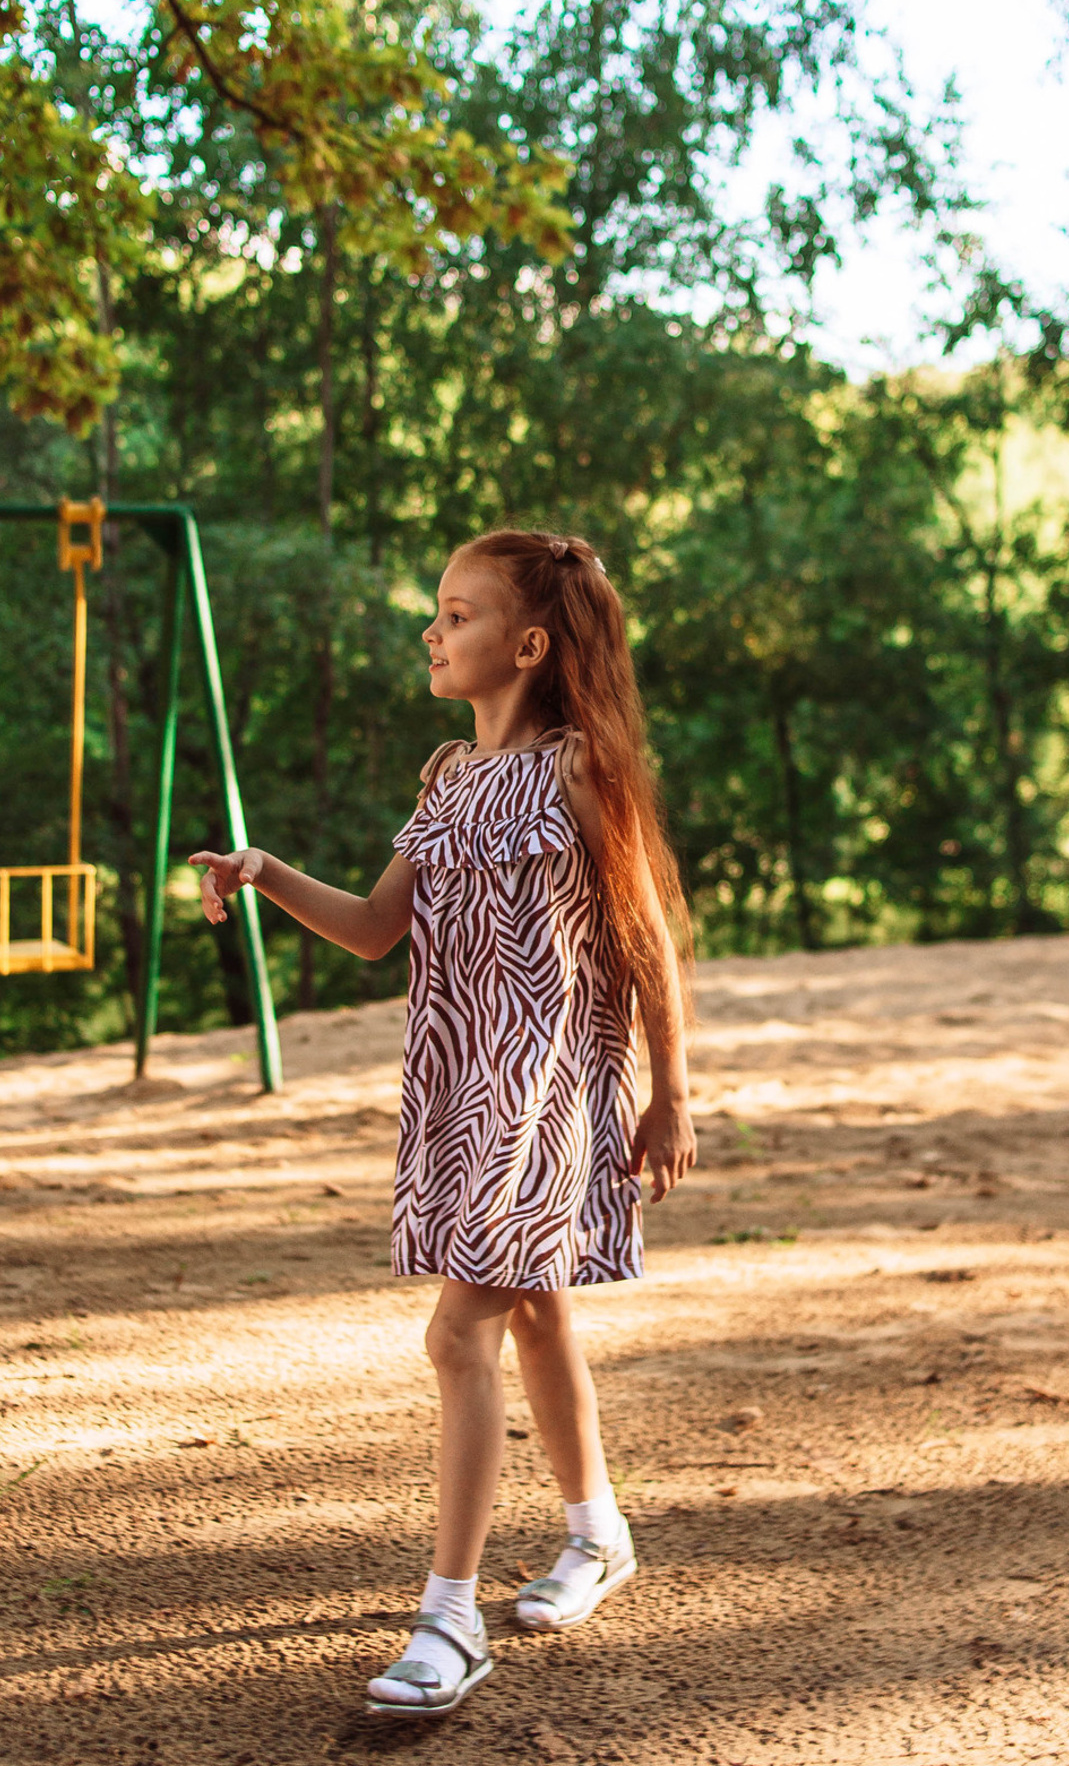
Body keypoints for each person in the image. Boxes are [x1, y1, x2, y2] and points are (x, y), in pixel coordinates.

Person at [189, 528, 695, 1719]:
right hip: (457, 1086)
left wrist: (673, 1091)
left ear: (527, 644)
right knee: (530, 1306)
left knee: (457, 1331)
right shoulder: (448, 781)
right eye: (436, 611)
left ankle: (448, 1620)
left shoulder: (579, 771)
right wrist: (264, 871)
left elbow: (645, 941)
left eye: (456, 614)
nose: (433, 629)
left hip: (547, 1088)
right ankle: (598, 1532)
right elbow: (375, 929)